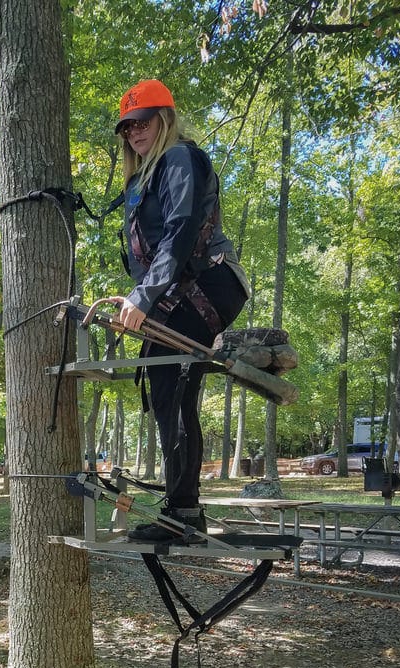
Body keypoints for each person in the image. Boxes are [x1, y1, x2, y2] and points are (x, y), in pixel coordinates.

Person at [113, 78, 250, 541]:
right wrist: (139, 302)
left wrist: (144, 297)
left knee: (173, 387)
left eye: (143, 121)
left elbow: (183, 229)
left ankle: (184, 514)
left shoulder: (179, 158)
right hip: (178, 291)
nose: (134, 132)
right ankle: (181, 509)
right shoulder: (142, 180)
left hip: (209, 283)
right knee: (168, 389)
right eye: (127, 128)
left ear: (165, 119)